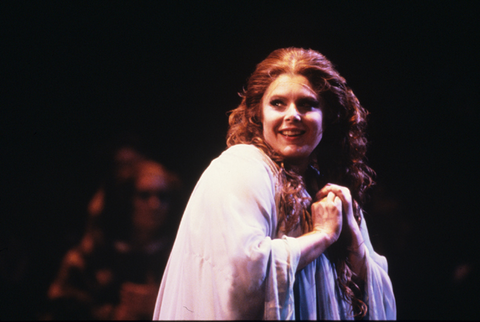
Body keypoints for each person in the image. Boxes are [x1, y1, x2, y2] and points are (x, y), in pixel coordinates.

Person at [153, 47, 396, 320]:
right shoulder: (242, 166)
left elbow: (382, 301)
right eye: (278, 103)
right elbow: (242, 274)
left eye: (307, 104)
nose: (293, 114)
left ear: (327, 118)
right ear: (259, 114)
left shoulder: (322, 183)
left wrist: (352, 239)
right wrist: (322, 236)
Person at [47, 159, 180, 320]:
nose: (155, 204)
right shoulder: (90, 255)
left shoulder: (176, 257)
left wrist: (162, 305)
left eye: (163, 196)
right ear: (127, 199)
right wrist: (113, 315)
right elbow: (57, 310)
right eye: (144, 195)